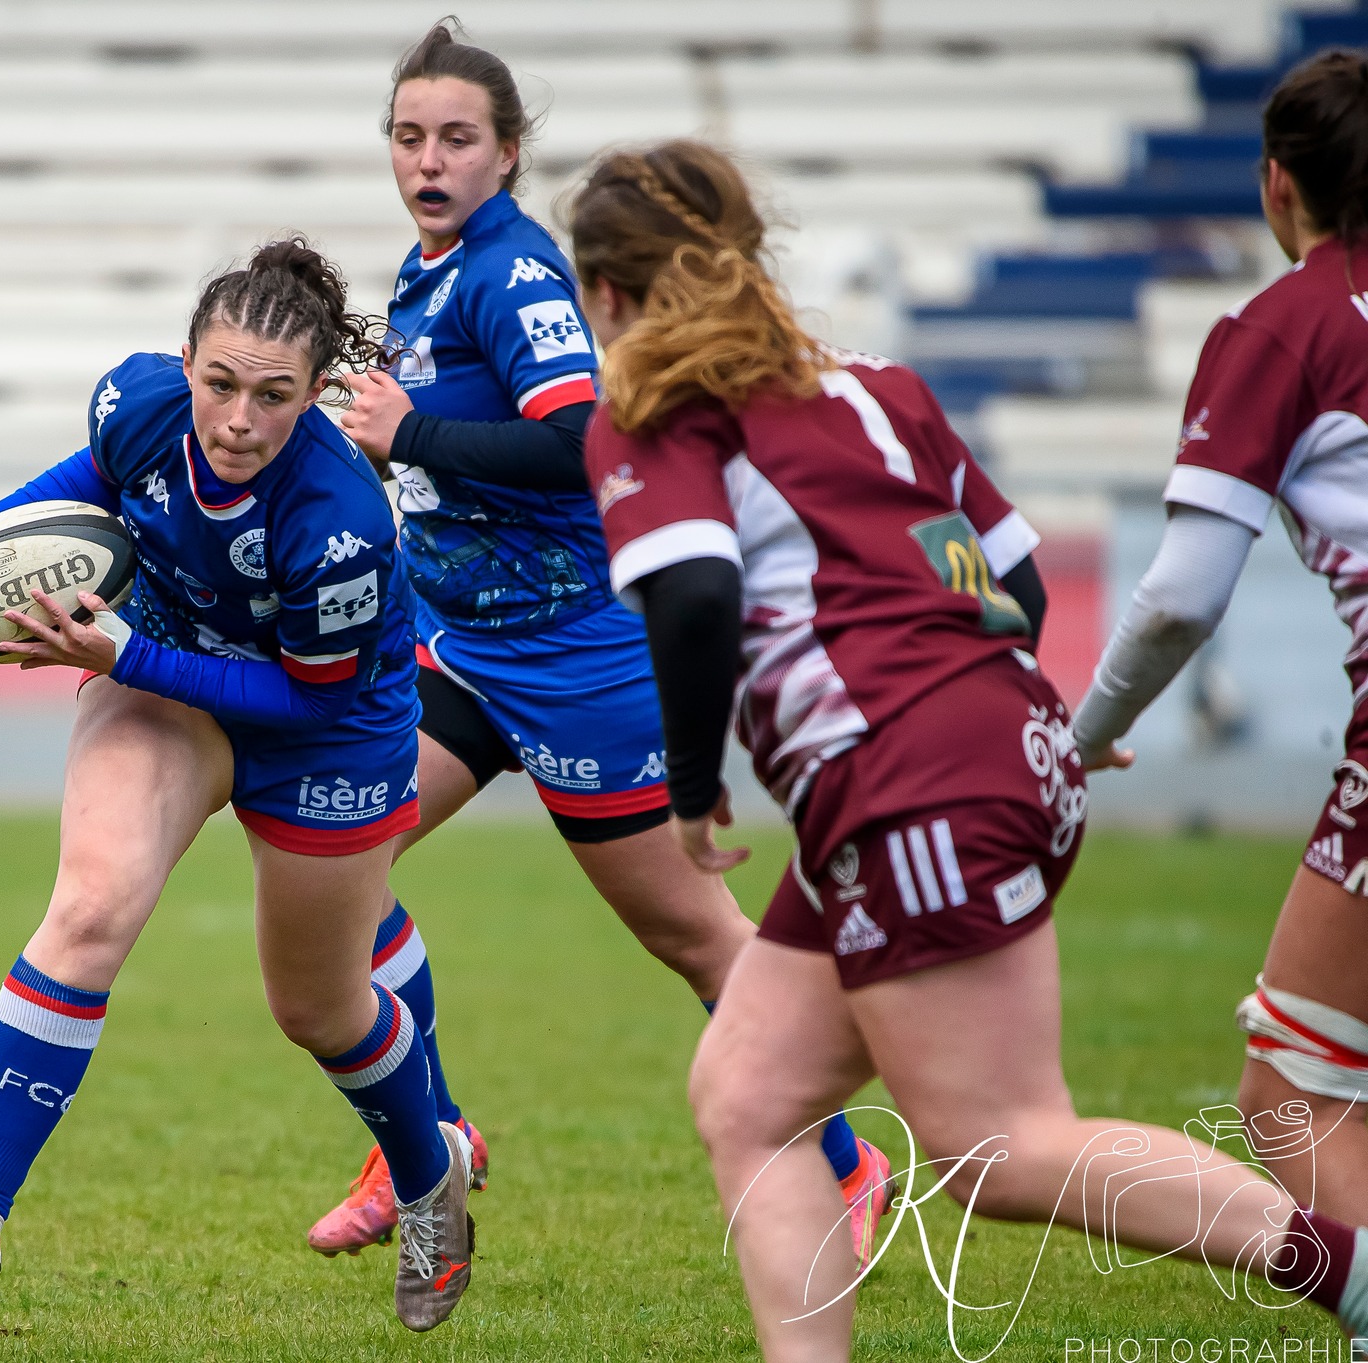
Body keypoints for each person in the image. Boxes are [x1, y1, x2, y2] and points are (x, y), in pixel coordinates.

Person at [568, 136, 1368, 1360]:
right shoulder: (873, 385)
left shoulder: (648, 410)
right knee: (750, 1092)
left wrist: (689, 792)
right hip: (980, 756)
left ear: (609, 295)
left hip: (905, 788)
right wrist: (1003, 727)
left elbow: (691, 597)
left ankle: (1348, 1270)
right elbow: (1012, 578)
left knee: (994, 1147)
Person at [304, 17, 896, 1264]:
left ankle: (848, 1163)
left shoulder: (514, 275)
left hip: (579, 660)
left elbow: (587, 443)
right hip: (461, 646)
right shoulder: (430, 269)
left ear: (507, 154)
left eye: (456, 138)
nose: (429, 159)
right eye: (408, 137)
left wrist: (406, 435)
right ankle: (434, 1131)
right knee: (326, 847)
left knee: (692, 938)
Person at [0, 240, 475, 1333]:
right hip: (161, 678)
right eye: (218, 384)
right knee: (90, 906)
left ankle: (425, 1174)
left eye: (273, 396)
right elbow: (96, 477)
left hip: (325, 734)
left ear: (311, 398)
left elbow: (307, 699)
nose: (238, 420)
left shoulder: (339, 521)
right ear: (184, 362)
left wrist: (122, 657)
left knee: (316, 1006)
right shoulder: (138, 399)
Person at [1072, 49, 1368, 1223]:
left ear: (1273, 187)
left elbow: (1180, 596)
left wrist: (1077, 734)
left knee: (1287, 1089)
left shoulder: (1281, 328)